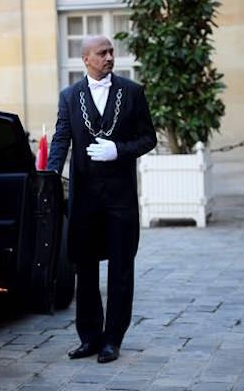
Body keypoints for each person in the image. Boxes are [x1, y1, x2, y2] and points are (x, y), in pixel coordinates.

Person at [47, 35, 157, 363]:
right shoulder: (69, 97)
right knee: (86, 268)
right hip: (84, 198)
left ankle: (113, 339)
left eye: (111, 52)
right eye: (102, 53)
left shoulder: (132, 92)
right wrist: (51, 176)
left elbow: (148, 138)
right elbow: (61, 138)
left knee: (121, 268)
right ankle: (90, 337)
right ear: (85, 59)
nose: (109, 57)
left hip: (120, 198)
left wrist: (118, 151)